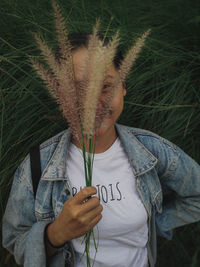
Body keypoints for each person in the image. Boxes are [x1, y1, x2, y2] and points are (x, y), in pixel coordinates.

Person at [2, 33, 200, 267]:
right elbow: (15, 241)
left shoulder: (154, 152)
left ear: (123, 86)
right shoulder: (36, 166)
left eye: (106, 86)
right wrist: (55, 234)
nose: (93, 103)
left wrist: (153, 223)